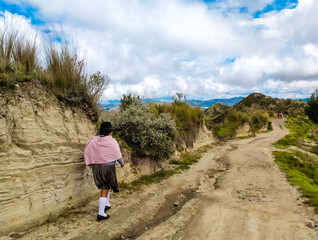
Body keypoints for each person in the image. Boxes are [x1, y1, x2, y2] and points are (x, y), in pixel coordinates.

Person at [84, 122, 125, 221]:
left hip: (96, 167)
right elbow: (117, 154)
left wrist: (90, 163)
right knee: (105, 188)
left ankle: (106, 204)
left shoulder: (93, 141)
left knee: (106, 187)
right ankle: (101, 213)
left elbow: (87, 151)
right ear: (110, 132)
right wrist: (122, 163)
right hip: (108, 168)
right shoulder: (112, 141)